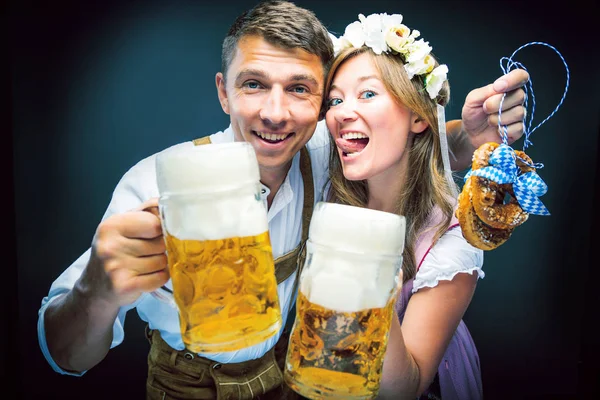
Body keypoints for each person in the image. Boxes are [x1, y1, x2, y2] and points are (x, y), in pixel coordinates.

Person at [37, 1, 529, 398]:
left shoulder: (321, 150)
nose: (275, 114)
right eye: (253, 85)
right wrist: (94, 293)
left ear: (317, 107)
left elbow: (399, 137)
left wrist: (468, 134)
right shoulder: (156, 184)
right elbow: (64, 355)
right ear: (223, 93)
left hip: (291, 382)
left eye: (300, 90)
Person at [324, 12, 497, 399]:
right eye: (334, 99)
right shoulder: (328, 181)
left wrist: (372, 292)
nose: (340, 113)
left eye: (368, 93)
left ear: (418, 115)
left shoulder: (450, 240)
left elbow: (404, 388)